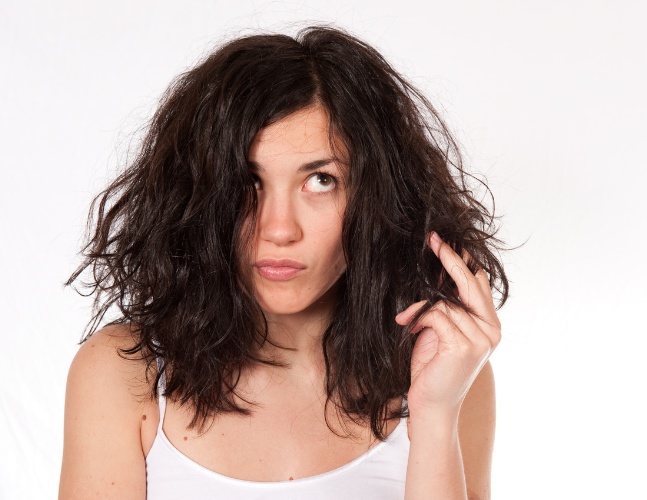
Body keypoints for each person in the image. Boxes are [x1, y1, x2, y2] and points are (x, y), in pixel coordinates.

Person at [59, 26, 508, 500]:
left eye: (320, 180)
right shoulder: (126, 374)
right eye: (246, 182)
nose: (278, 229)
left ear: (377, 198)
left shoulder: (446, 371)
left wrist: (435, 416)